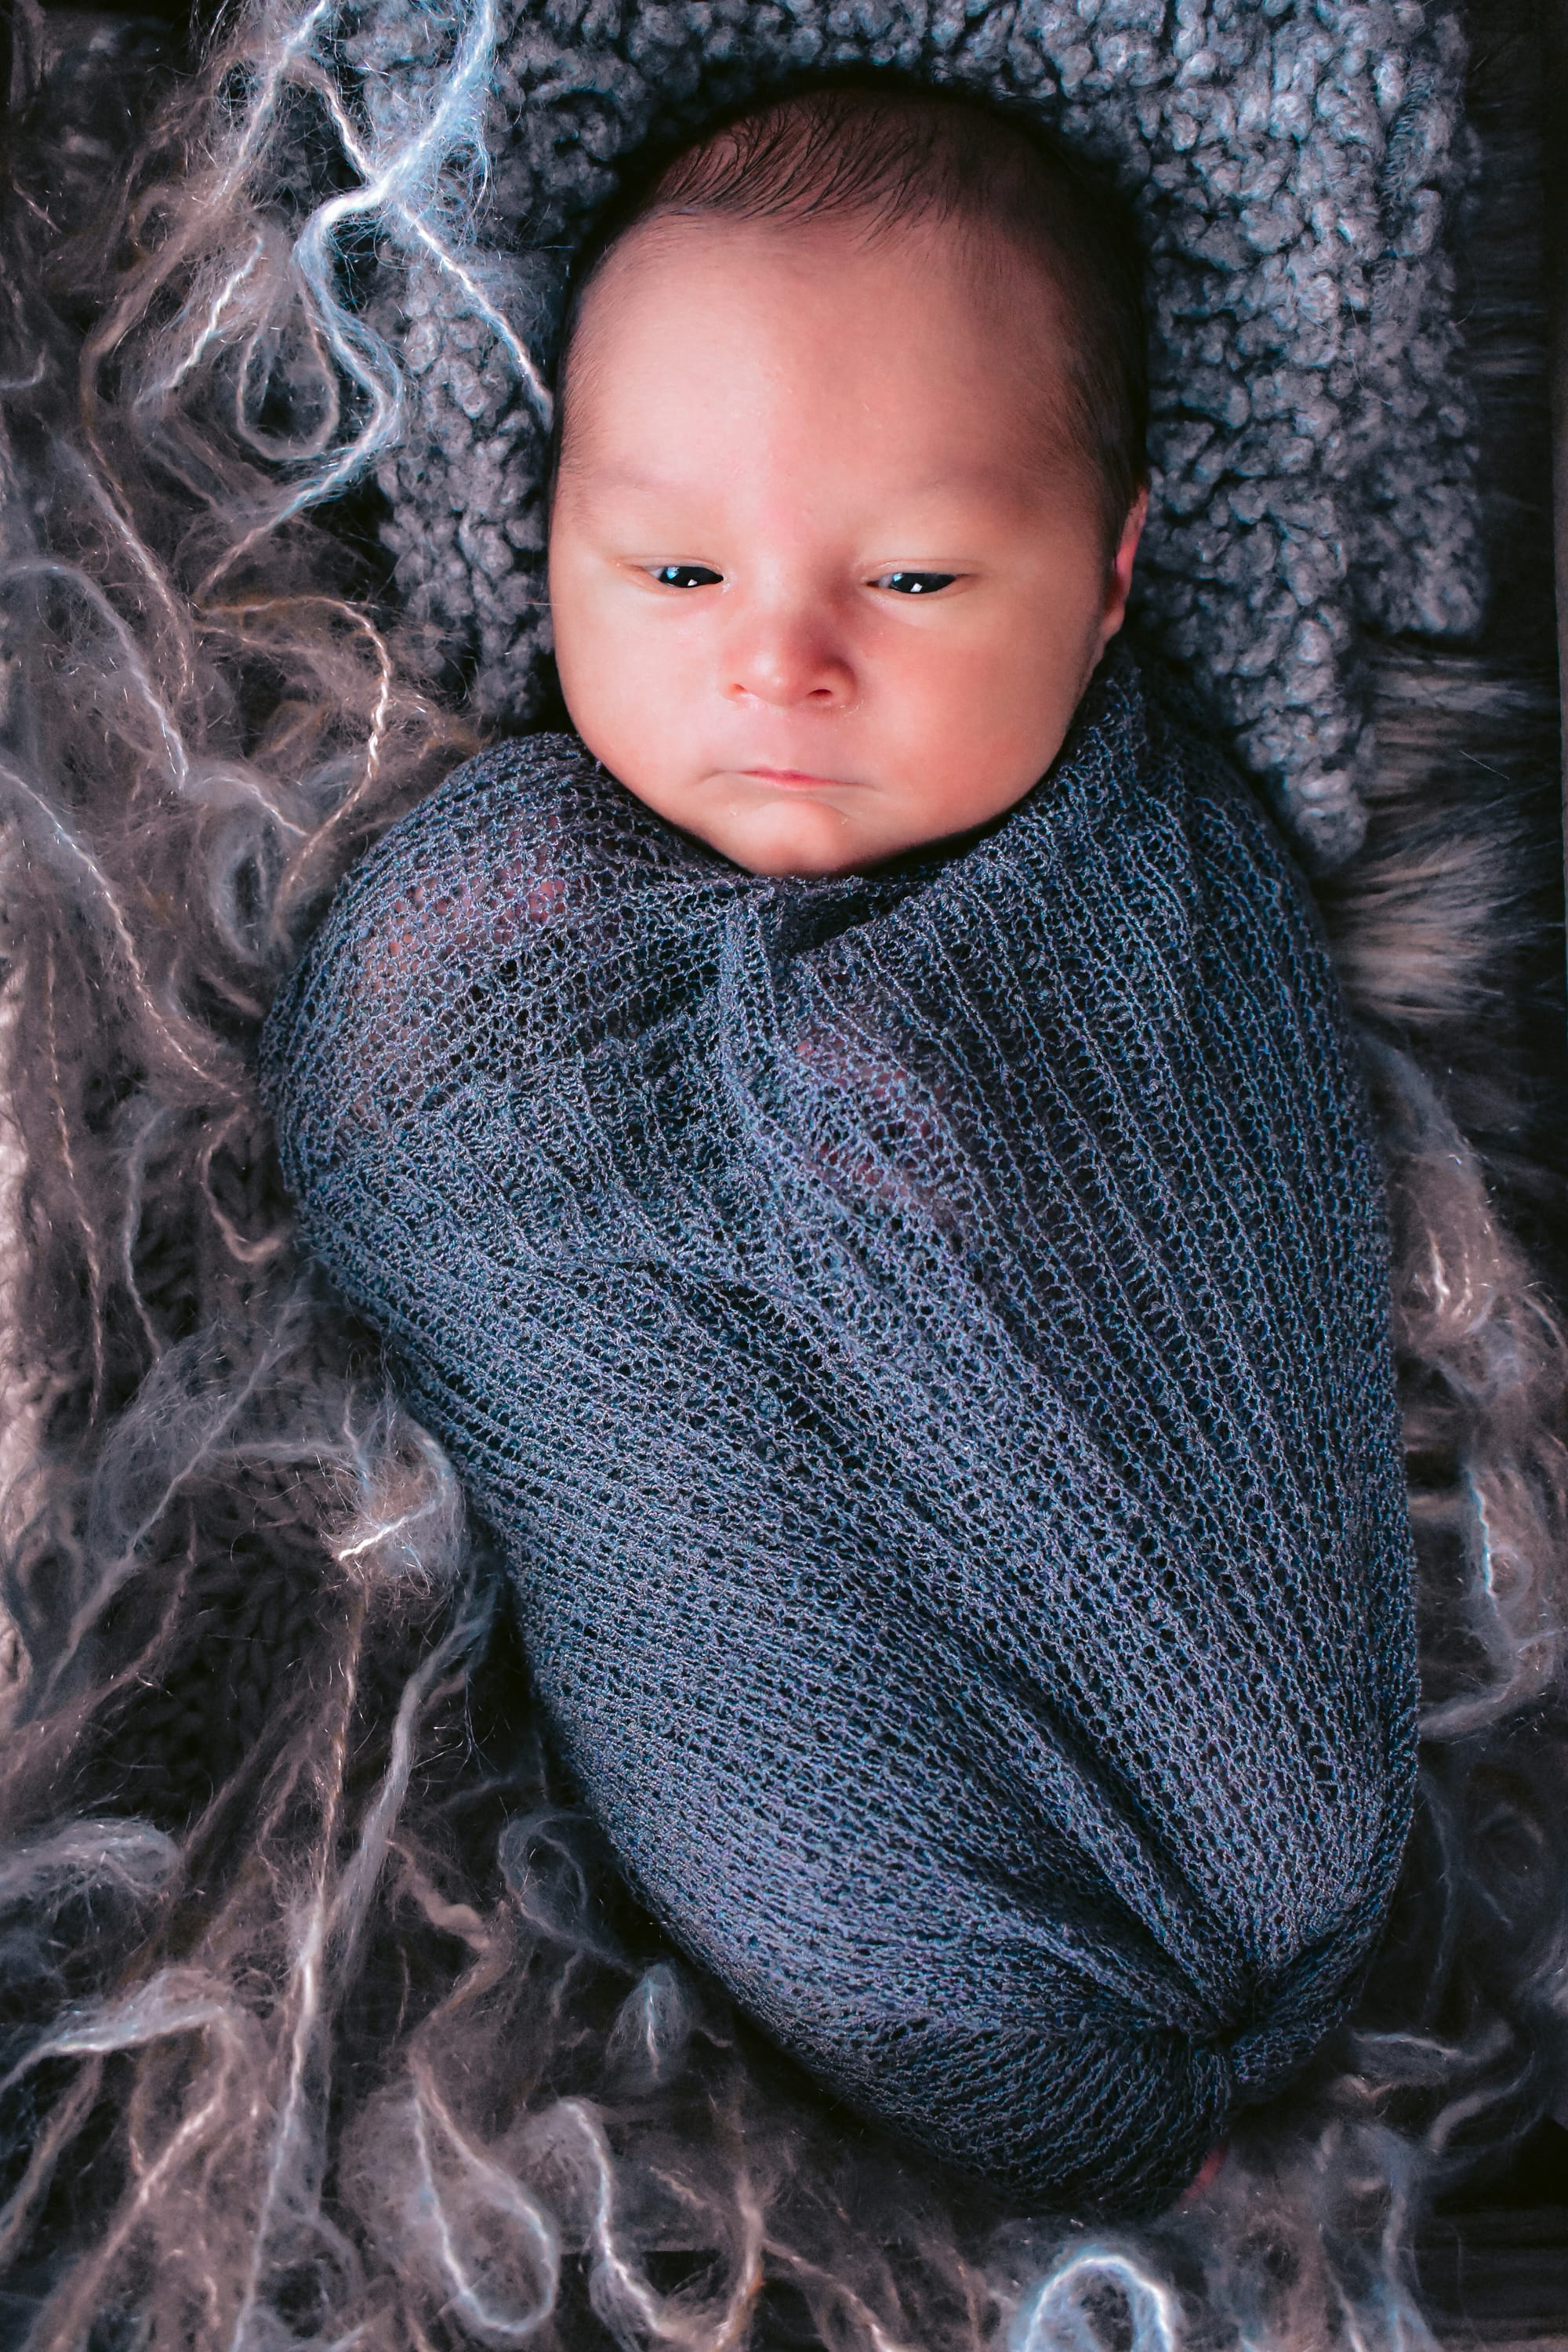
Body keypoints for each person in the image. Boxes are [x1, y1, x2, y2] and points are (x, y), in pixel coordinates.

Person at [261, 78, 1417, 2217]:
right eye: (672, 568)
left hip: (1243, 1817)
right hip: (842, 1796)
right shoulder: (503, 916)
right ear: (550, 546)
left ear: (1111, 578)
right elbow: (405, 1150)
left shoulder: (1161, 900)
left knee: (1274, 1826)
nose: (779, 661)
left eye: (915, 574)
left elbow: (1209, 1278)